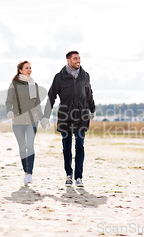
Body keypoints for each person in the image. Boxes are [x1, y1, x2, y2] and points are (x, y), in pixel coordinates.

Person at [41, 51, 95, 187]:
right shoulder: (59, 77)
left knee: (80, 145)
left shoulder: (85, 76)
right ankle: (68, 175)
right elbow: (51, 96)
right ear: (68, 60)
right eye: (75, 59)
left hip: (82, 116)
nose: (78, 61)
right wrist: (46, 116)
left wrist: (92, 109)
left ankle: (78, 177)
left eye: (79, 58)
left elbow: (89, 94)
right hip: (65, 117)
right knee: (66, 147)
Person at [6, 61, 43, 186]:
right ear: (20, 70)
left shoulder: (34, 85)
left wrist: (42, 118)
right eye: (27, 68)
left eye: (30, 68)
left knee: (30, 145)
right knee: (22, 147)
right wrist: (9, 111)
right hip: (18, 120)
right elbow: (8, 101)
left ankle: (29, 174)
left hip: (32, 120)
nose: (29, 70)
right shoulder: (14, 84)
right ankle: (25, 171)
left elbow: (37, 104)